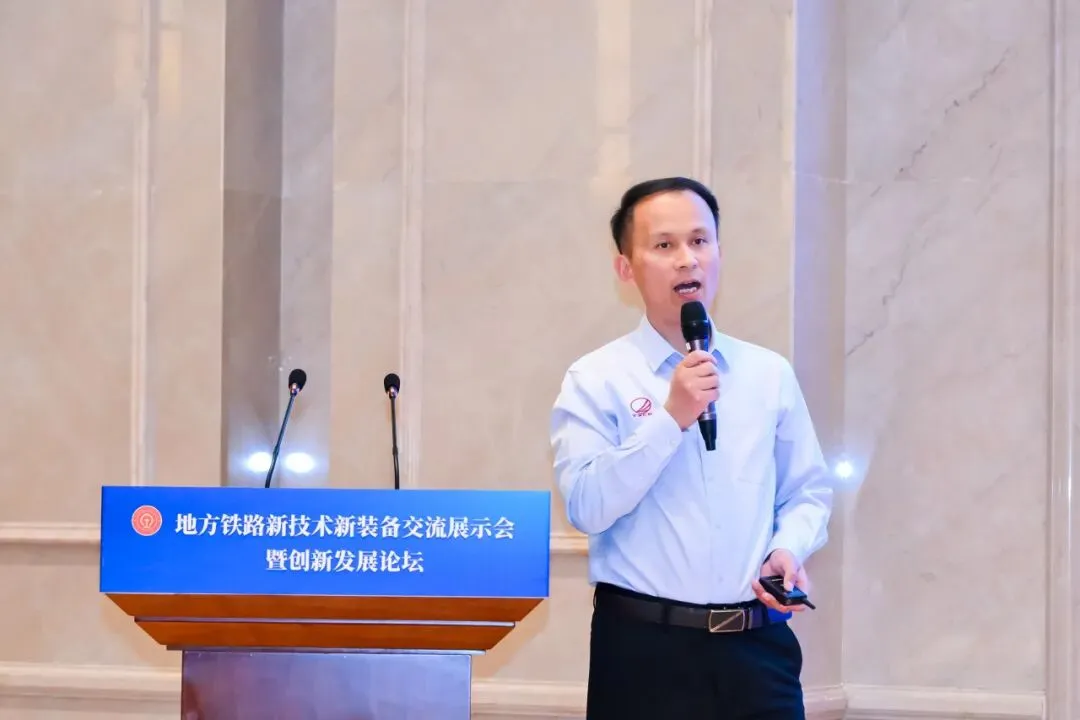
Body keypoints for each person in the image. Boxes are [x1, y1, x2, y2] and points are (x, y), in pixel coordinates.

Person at [549, 177, 834, 719]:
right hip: (645, 652)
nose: (687, 259)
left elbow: (807, 491)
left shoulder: (768, 373)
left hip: (758, 650)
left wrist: (788, 548)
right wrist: (671, 417)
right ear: (625, 268)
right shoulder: (597, 378)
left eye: (700, 241)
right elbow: (587, 506)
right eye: (664, 245)